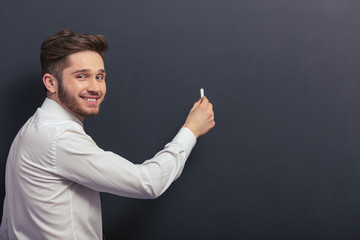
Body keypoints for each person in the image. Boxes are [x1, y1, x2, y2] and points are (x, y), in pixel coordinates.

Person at [0, 29, 215, 240]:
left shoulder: (32, 128)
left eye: (100, 76)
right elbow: (148, 183)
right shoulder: (59, 137)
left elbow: (10, 224)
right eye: (81, 76)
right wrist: (191, 130)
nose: (95, 87)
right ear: (51, 82)